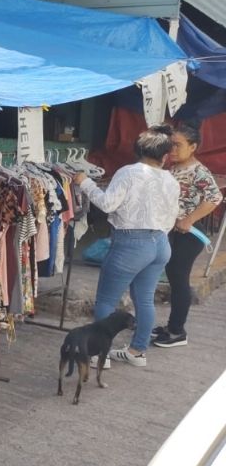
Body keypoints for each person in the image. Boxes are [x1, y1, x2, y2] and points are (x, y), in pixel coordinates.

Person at [74, 126, 180, 367]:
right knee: (144, 299)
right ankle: (137, 351)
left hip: (130, 243)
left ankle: (99, 355)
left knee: (106, 300)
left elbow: (107, 203)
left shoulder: (128, 173)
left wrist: (85, 183)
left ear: (137, 150)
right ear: (165, 156)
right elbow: (173, 216)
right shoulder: (171, 180)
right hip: (160, 243)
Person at [152, 125, 222, 348]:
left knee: (179, 279)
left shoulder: (197, 171)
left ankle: (177, 331)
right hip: (172, 231)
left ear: (192, 147)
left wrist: (189, 219)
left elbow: (214, 197)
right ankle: (171, 326)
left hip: (189, 235)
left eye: (178, 145)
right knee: (173, 278)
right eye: (170, 144)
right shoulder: (173, 168)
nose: (172, 149)